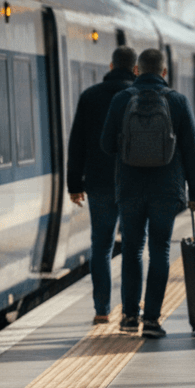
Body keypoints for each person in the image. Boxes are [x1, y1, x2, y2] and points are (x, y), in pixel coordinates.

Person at [100, 47, 195, 338]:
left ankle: (129, 317)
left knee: (132, 250)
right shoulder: (177, 101)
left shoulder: (121, 99)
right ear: (164, 72)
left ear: (136, 71)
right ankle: (153, 321)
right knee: (160, 250)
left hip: (129, 190)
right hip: (167, 191)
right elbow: (191, 151)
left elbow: (106, 144)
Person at [67, 45, 138, 324]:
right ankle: (131, 310)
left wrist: (74, 185)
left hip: (98, 184)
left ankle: (102, 309)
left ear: (110, 67)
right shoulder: (140, 96)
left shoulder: (90, 96)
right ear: (135, 69)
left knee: (101, 246)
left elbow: (77, 144)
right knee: (133, 247)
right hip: (134, 184)